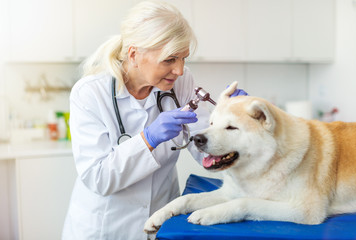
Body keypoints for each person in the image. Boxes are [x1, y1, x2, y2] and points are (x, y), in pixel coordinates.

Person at [62, 1, 247, 239]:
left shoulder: (180, 82)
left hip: (160, 220)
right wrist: (147, 139)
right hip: (106, 227)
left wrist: (232, 124)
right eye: (170, 60)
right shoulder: (90, 93)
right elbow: (99, 179)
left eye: (183, 58)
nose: (179, 70)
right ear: (134, 54)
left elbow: (205, 152)